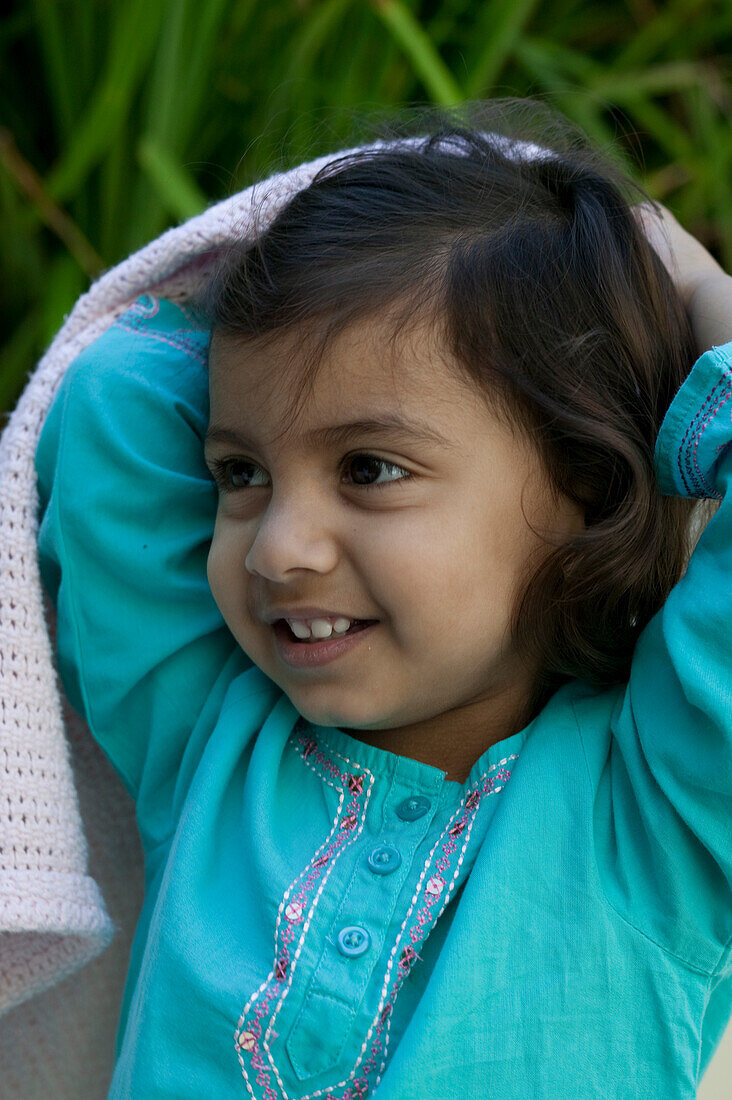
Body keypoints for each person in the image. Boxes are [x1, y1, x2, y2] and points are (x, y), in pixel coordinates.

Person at [33, 101, 732, 1097]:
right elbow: (113, 388)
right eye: (239, 472)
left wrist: (701, 293)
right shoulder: (206, 740)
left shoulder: (664, 808)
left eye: (368, 466)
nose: (279, 546)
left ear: (586, 477)